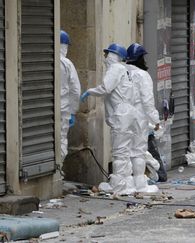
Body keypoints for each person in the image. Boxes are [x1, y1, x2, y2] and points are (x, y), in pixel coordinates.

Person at [81, 43, 137, 195]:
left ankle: (118, 186)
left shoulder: (115, 69)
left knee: (119, 151)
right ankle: (125, 183)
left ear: (113, 55)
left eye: (107, 54)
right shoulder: (125, 70)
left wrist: (89, 91)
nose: (105, 58)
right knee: (124, 150)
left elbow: (106, 88)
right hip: (127, 113)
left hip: (121, 115)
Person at [125, 43, 161, 192]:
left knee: (123, 150)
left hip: (122, 117)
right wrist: (156, 120)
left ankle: (125, 183)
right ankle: (139, 183)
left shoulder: (121, 72)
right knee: (138, 150)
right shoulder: (142, 75)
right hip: (139, 117)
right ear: (140, 58)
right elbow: (147, 101)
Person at [59, 30, 81, 162]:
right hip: (63, 110)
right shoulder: (67, 64)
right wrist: (73, 111)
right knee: (60, 140)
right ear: (64, 46)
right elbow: (75, 90)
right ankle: (58, 174)